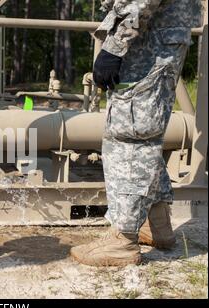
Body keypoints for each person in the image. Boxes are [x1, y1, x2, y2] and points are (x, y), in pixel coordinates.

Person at [70, 0, 202, 266]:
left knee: (129, 137)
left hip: (147, 43)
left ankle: (123, 239)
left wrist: (115, 45)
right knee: (144, 136)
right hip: (157, 40)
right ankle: (157, 226)